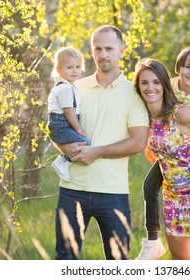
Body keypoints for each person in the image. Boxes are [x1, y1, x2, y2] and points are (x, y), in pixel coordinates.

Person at [54, 25, 149, 260]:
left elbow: (138, 142)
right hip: (72, 189)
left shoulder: (135, 93)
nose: (103, 54)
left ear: (121, 51)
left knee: (118, 262)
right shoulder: (74, 86)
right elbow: (55, 124)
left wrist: (96, 152)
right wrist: (63, 147)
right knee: (65, 259)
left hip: (113, 192)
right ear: (91, 52)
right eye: (98, 49)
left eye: (109, 48)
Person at [133, 58, 190, 260]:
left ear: (165, 85)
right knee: (179, 262)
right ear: (138, 87)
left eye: (156, 82)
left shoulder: (180, 114)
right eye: (144, 82)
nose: (150, 88)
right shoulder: (142, 117)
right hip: (171, 194)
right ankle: (152, 242)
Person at [47, 46, 90, 182]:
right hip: (61, 126)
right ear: (59, 70)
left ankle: (64, 161)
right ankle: (62, 162)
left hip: (63, 125)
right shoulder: (64, 88)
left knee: (84, 144)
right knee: (85, 143)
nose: (74, 71)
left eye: (78, 67)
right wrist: (78, 128)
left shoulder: (69, 86)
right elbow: (68, 111)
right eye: (69, 67)